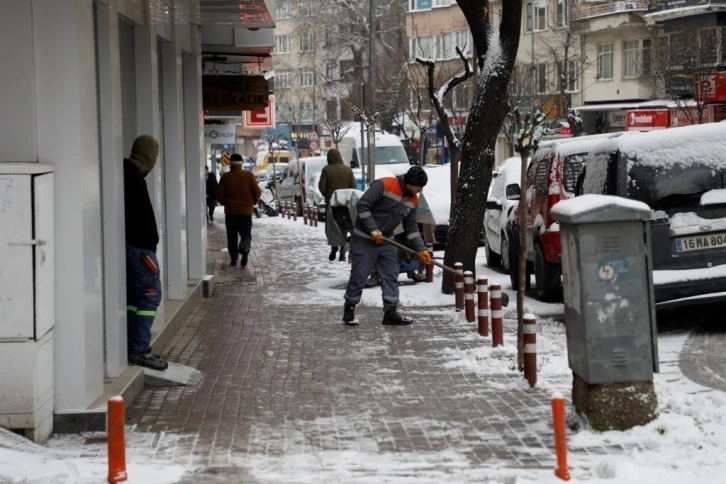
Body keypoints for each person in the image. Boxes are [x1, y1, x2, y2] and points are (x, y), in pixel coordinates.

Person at [343, 165, 432, 326]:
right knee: (360, 275)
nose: (420, 190)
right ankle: (349, 308)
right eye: (419, 186)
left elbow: (411, 227)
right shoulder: (384, 185)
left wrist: (421, 249)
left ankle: (390, 311)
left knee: (391, 274)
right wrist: (372, 229)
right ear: (409, 183)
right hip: (364, 239)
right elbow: (363, 205)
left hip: (386, 241)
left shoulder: (413, 200)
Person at [123, 135, 167, 370]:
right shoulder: (132, 177)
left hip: (134, 248)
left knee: (134, 299)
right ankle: (139, 348)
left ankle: (131, 344)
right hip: (140, 250)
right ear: (148, 155)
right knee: (150, 294)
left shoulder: (128, 173)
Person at [217, 153, 261, 267]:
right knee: (246, 234)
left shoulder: (225, 177)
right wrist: (252, 203)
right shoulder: (249, 175)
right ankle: (244, 248)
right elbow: (257, 191)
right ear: (242, 163)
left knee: (232, 235)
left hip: (231, 212)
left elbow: (220, 195)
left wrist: (225, 203)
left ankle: (234, 258)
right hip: (246, 212)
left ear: (230, 163)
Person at [318, 148, 357, 262]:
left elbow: (322, 187)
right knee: (345, 227)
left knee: (332, 228)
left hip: (332, 205)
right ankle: (342, 251)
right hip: (346, 205)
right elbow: (354, 187)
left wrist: (328, 195)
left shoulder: (326, 170)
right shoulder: (347, 170)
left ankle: (334, 247)